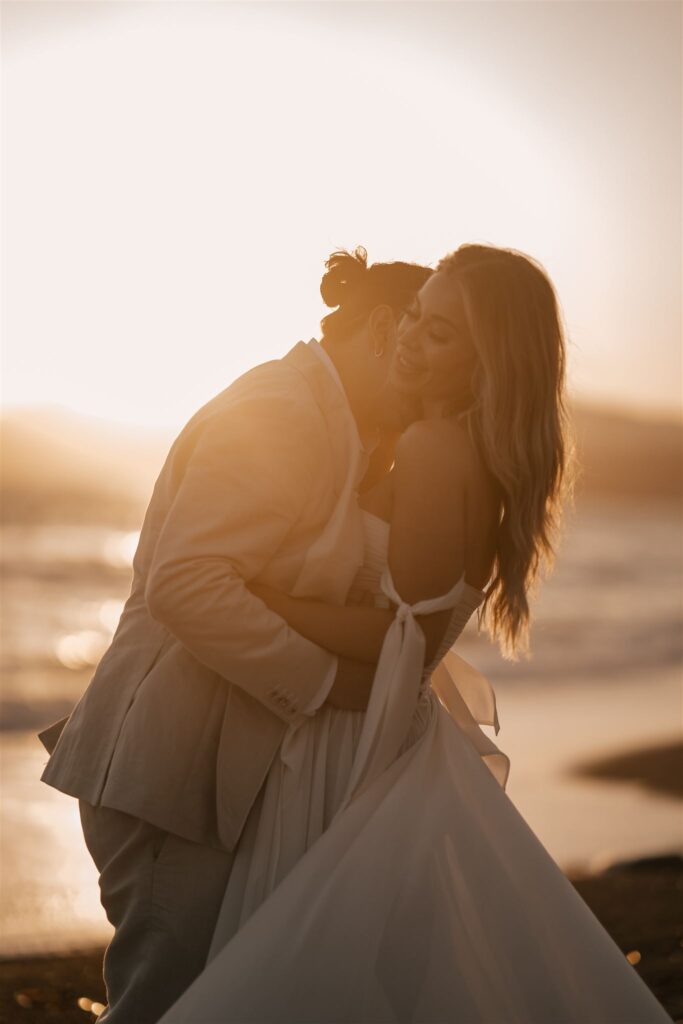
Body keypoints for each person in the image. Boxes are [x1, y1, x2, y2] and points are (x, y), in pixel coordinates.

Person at [158, 245, 672, 1023]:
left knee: (307, 971)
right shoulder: (456, 447)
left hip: (348, 739)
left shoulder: (436, 449)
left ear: (487, 361)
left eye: (440, 335)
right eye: (418, 318)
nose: (409, 339)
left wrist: (264, 596)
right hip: (376, 725)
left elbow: (401, 638)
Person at [35, 247, 432, 1024]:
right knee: (169, 1003)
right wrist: (327, 686)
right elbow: (188, 584)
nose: (436, 401)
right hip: (168, 769)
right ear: (386, 327)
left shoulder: (341, 427)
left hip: (222, 771)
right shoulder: (280, 411)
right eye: (428, 361)